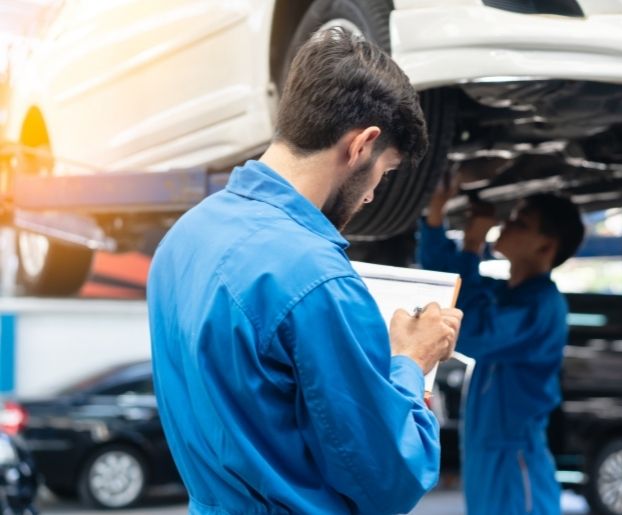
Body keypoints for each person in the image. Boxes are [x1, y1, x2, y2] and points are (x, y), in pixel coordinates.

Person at [147, 28, 463, 515]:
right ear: (362, 145)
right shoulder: (317, 280)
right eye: (386, 172)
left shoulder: (184, 239)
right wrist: (410, 361)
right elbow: (389, 478)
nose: (373, 194)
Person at [419, 185, 584, 515]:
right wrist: (434, 218)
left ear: (546, 246)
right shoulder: (507, 295)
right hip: (490, 457)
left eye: (520, 223)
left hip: (514, 462)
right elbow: (450, 288)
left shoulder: (542, 306)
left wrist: (473, 245)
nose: (505, 225)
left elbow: (470, 328)